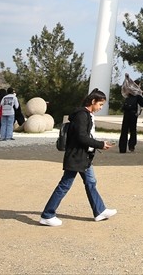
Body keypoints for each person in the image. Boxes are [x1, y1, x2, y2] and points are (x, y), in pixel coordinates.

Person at [39, 89, 117, 226]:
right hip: (77, 156)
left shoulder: (85, 115)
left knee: (91, 182)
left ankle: (99, 211)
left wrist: (98, 145)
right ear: (93, 101)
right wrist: (100, 144)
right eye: (100, 104)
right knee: (65, 185)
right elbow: (82, 137)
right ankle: (47, 214)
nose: (101, 108)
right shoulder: (82, 115)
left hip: (83, 157)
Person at [119, 76, 143, 153]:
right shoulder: (138, 94)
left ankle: (122, 148)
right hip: (133, 114)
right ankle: (131, 146)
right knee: (133, 130)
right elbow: (142, 104)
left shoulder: (128, 93)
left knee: (124, 130)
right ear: (138, 85)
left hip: (126, 113)